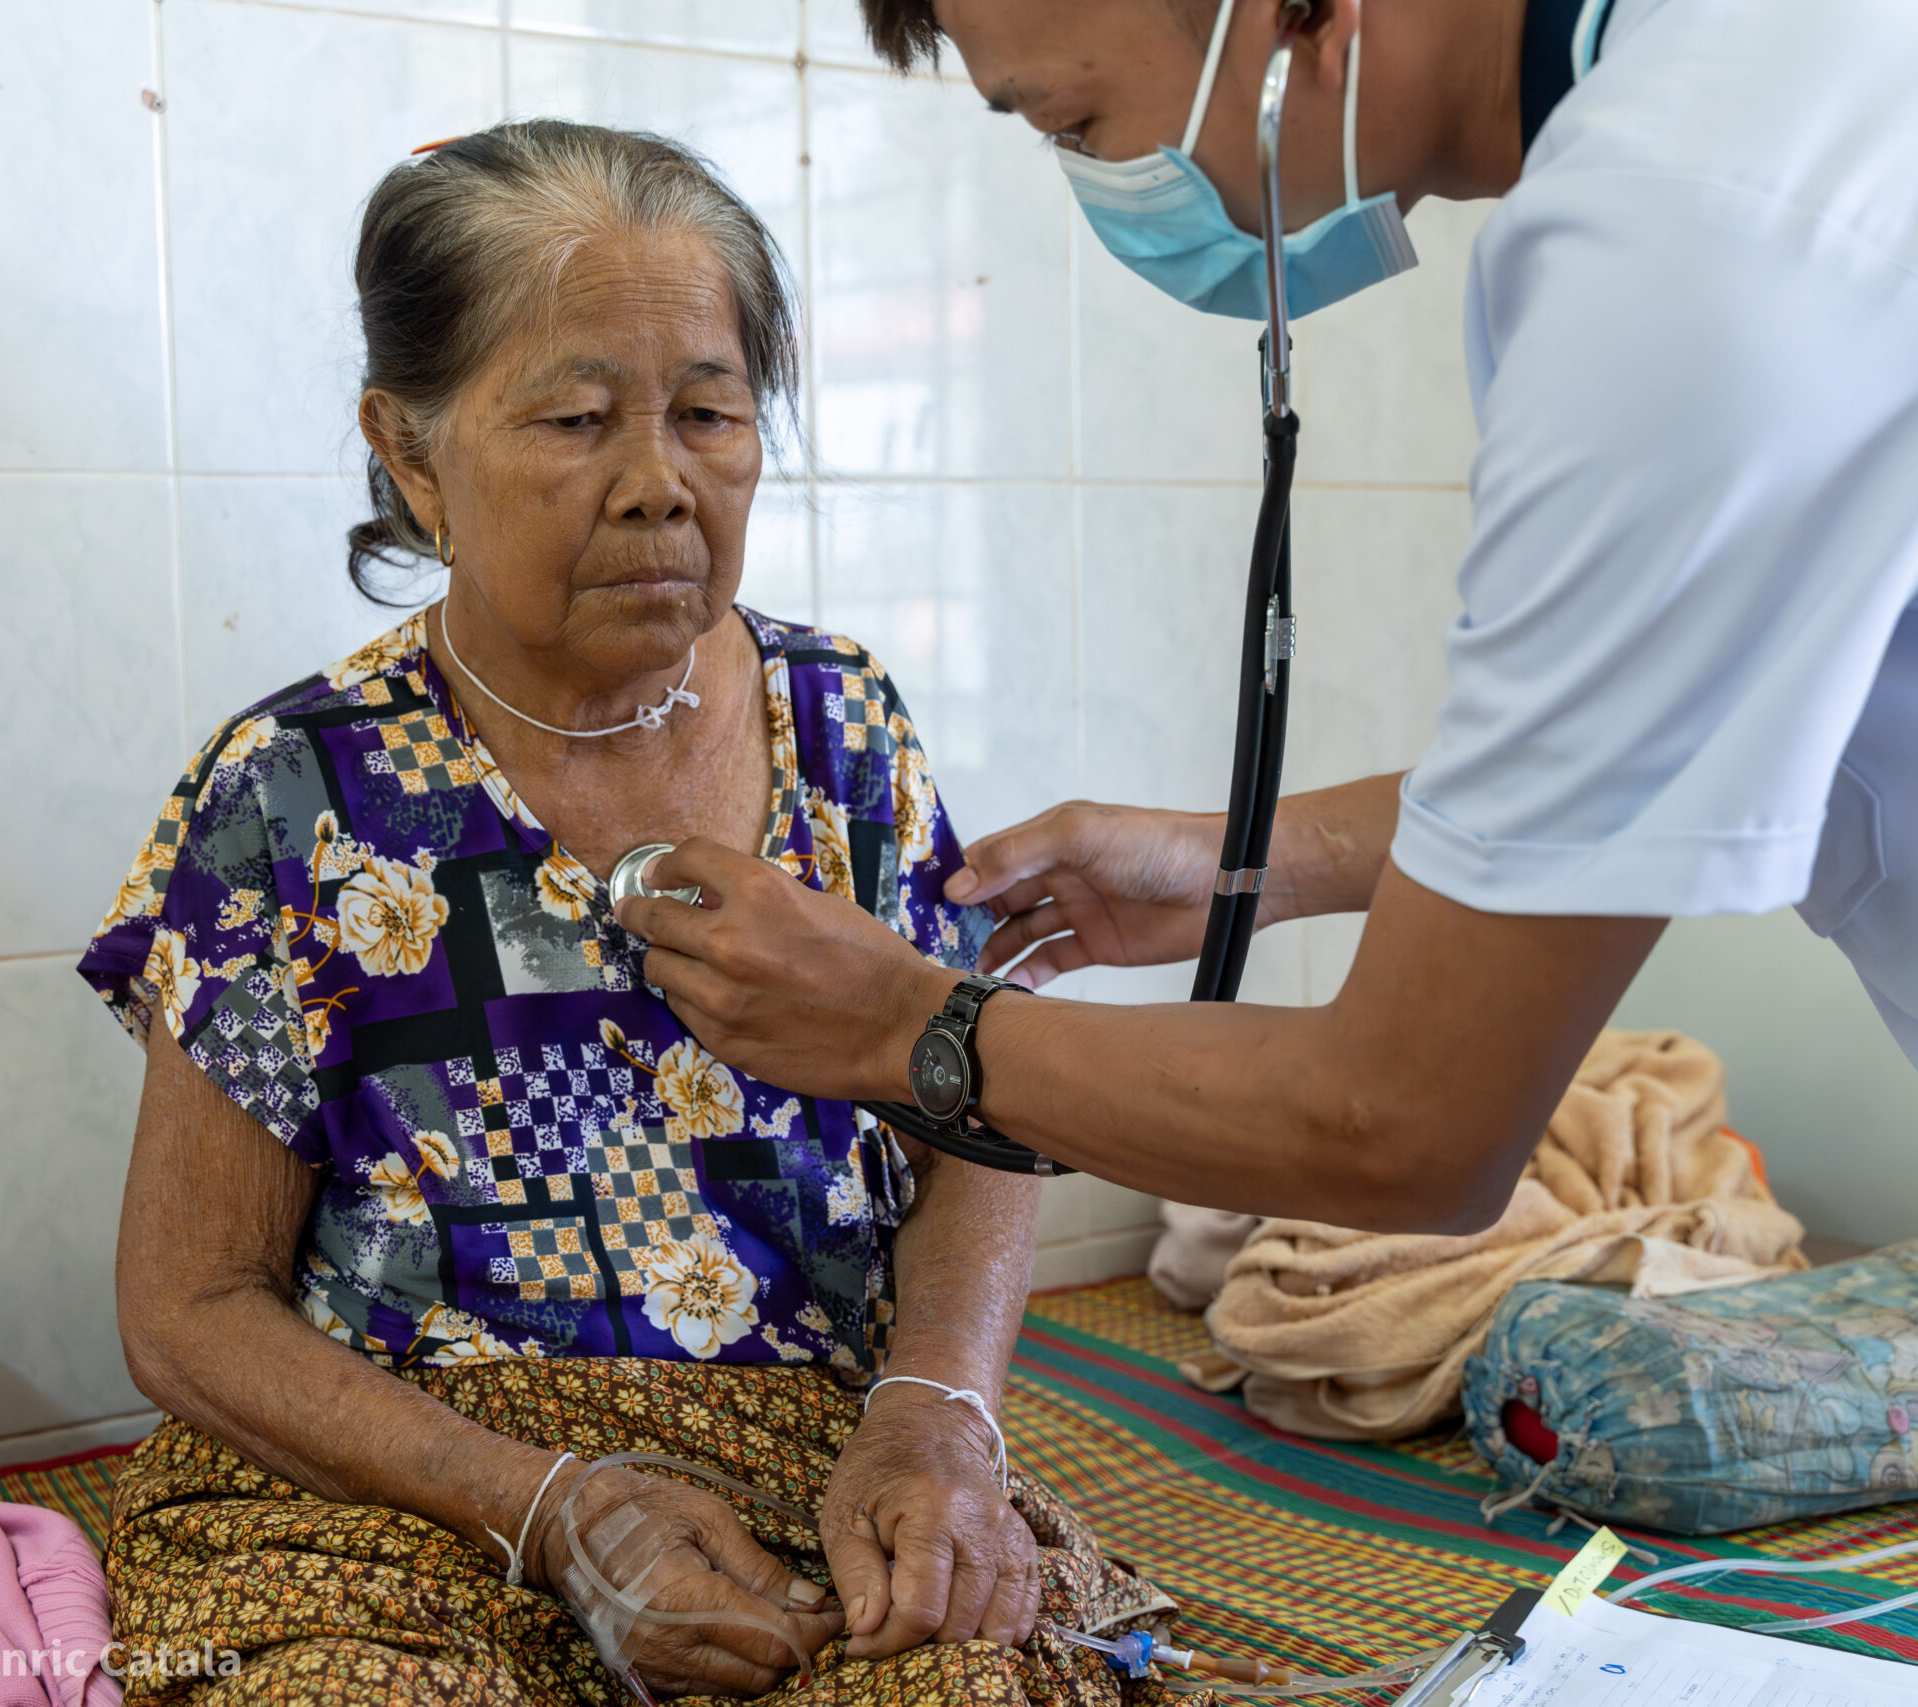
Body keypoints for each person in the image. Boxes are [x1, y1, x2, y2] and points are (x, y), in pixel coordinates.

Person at [611, 1, 1918, 1699]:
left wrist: (909, 1030)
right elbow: (1682, 745)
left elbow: (1407, 1121)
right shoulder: (1813, 100)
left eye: (1075, 121)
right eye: (567, 422)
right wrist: (1232, 860)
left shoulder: (1702, 233)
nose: (653, 495)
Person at [80, 121, 1176, 1706]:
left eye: (711, 413)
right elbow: (185, 1312)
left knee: (981, 1686)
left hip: (808, 1465)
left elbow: (973, 1120)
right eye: (580, 418)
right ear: (412, 449)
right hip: (399, 1498)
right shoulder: (292, 793)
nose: (662, 486)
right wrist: (548, 1507)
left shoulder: (841, 725)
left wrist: (936, 1412)